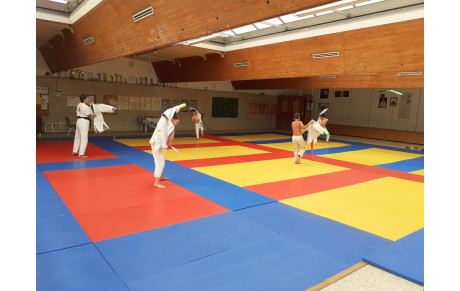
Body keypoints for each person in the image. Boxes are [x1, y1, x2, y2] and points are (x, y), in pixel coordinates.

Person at [149, 103, 185, 188]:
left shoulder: (168, 118)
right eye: (176, 122)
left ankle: (160, 177)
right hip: (157, 145)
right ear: (172, 118)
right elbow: (163, 135)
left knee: (158, 161)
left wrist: (182, 105)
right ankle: (156, 182)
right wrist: (165, 145)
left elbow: (174, 108)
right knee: (160, 163)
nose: (176, 124)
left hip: (156, 143)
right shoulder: (164, 123)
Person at [73, 94, 96, 158]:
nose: (88, 99)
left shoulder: (79, 104)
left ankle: (75, 151)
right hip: (83, 121)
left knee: (77, 136)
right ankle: (81, 154)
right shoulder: (85, 106)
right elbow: (90, 115)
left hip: (78, 121)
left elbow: (77, 112)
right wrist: (95, 115)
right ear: (84, 99)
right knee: (84, 137)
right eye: (87, 98)